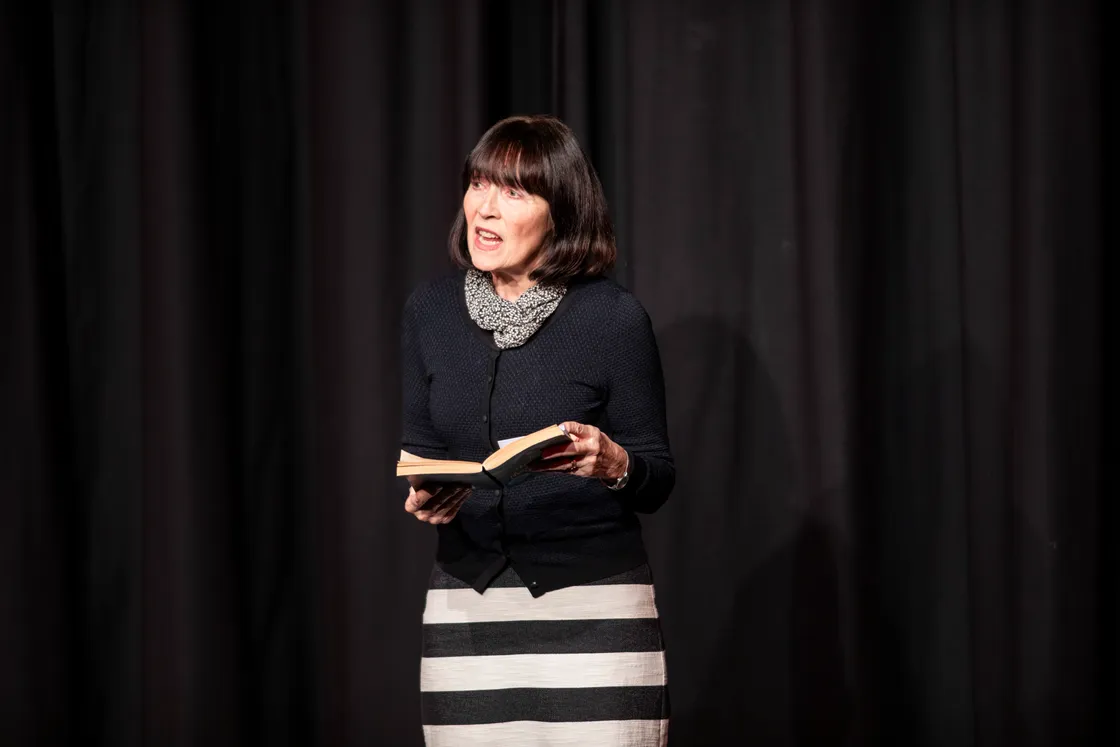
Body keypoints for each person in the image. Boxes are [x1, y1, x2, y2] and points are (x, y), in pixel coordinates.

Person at [399, 114, 675, 746]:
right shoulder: (430, 312)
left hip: (595, 608)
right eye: (477, 184)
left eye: (514, 191)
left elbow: (657, 478)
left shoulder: (613, 318)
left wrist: (614, 464)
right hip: (466, 608)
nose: (484, 208)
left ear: (562, 213)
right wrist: (425, 494)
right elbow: (423, 450)